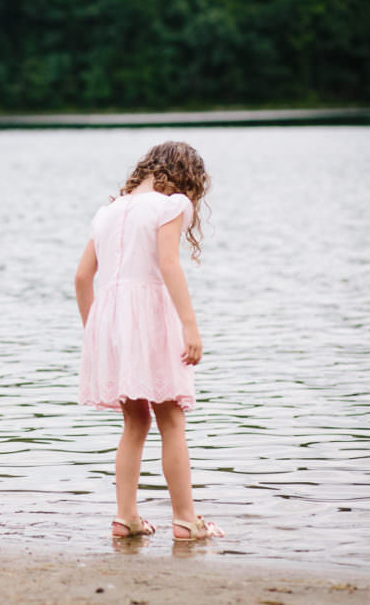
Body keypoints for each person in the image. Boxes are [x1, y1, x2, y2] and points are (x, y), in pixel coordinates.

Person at [75, 141, 225, 541]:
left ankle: (126, 517)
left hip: (112, 323)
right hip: (151, 317)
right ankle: (186, 519)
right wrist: (189, 326)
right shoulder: (170, 205)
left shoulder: (108, 211)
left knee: (135, 422)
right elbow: (169, 264)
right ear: (186, 179)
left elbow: (81, 278)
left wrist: (96, 331)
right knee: (172, 418)